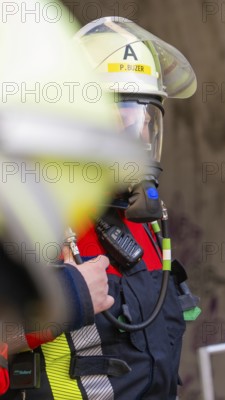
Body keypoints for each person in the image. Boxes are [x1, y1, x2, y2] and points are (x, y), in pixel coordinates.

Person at [1, 17, 198, 400]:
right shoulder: (31, 215)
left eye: (145, 121)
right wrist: (66, 299)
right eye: (121, 119)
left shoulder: (143, 222)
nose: (136, 139)